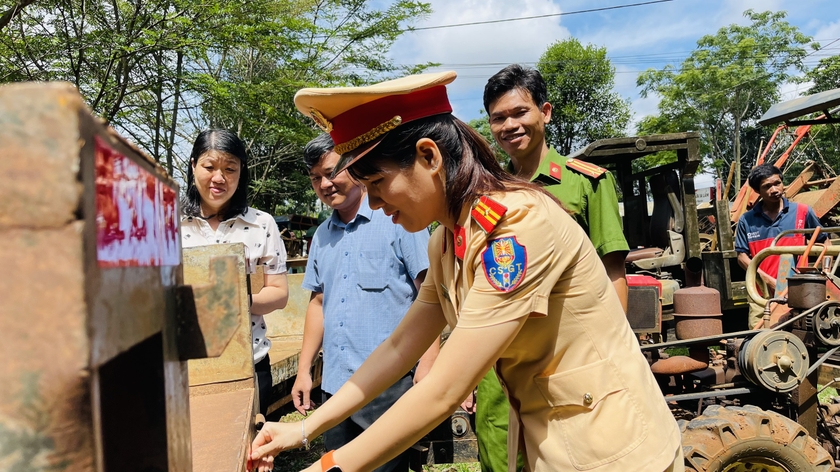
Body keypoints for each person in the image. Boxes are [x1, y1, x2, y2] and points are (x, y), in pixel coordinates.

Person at [249, 71, 682, 472]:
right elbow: (400, 345)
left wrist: (327, 467)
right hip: (548, 439)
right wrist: (305, 428)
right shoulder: (447, 239)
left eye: (377, 183)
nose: (375, 204)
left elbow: (443, 390)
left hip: (612, 447)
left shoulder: (516, 228)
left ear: (429, 155)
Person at [468, 64, 632, 472]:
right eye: (499, 118)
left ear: (545, 112)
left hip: (567, 358)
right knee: (500, 458)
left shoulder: (586, 183)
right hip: (500, 363)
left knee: (572, 457)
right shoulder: (490, 194)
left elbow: (613, 274)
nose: (510, 125)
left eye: (520, 112)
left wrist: (613, 355)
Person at [291, 133, 436, 472]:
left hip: (389, 384)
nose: (325, 184)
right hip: (335, 387)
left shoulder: (400, 219)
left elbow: (430, 292)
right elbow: (318, 302)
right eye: (316, 178)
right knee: (338, 465)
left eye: (331, 171)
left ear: (353, 165)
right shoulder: (321, 236)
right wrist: (303, 371)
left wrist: (428, 365)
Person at [180, 129, 289, 415]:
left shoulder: (262, 225)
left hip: (250, 363)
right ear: (193, 165)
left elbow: (278, 294)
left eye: (230, 169)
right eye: (209, 167)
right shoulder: (166, 224)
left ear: (242, 173)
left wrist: (230, 302)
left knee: (252, 452)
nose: (219, 178)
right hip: (184, 367)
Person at [735, 163, 827, 328]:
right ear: (757, 192)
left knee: (801, 336)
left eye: (777, 183)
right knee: (762, 341)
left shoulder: (803, 212)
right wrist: (770, 282)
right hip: (761, 295)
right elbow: (742, 257)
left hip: (799, 291)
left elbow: (823, 242)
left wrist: (821, 275)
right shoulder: (746, 220)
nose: (774, 189)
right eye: (767, 186)